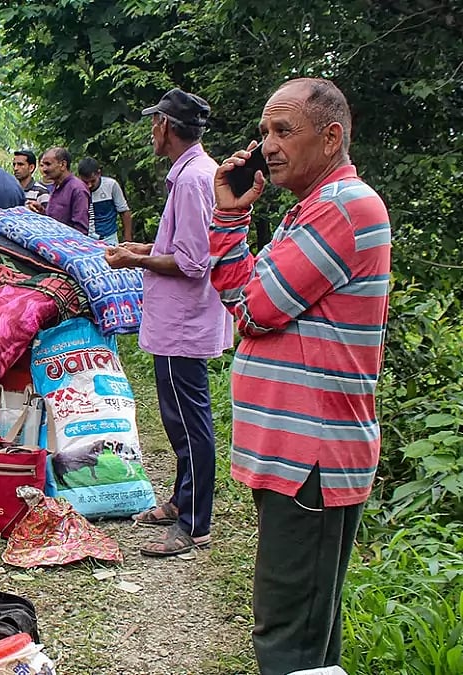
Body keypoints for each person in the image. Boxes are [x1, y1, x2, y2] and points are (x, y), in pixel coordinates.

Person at [208, 78, 391, 675]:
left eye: (284, 130)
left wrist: (252, 309)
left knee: (288, 639)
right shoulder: (307, 212)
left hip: (313, 456)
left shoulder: (345, 207)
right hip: (297, 456)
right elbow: (237, 292)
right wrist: (230, 217)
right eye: (265, 132)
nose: (268, 145)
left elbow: (257, 308)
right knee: (306, 632)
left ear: (331, 136)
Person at [104, 87, 233, 557]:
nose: (151, 131)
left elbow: (195, 261)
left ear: (166, 126)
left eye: (154, 122)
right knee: (178, 418)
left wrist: (133, 263)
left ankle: (196, 523)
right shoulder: (189, 174)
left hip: (185, 323)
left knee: (189, 422)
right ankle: (182, 502)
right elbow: (179, 247)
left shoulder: (197, 178)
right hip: (176, 321)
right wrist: (140, 251)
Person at [31, 147, 90, 234]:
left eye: (48, 164)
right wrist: (41, 212)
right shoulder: (57, 186)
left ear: (62, 165)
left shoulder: (78, 189)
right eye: (42, 165)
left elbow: (81, 230)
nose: (44, 169)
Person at [76, 157, 133, 244]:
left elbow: (124, 211)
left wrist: (127, 239)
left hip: (109, 238)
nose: (89, 185)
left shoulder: (111, 185)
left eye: (92, 181)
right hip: (86, 239)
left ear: (98, 173)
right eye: (85, 182)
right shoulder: (77, 190)